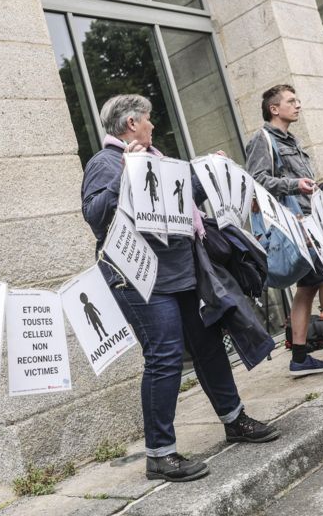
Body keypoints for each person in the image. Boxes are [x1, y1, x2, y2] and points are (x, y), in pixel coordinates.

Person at [81, 94, 279, 483]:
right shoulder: (104, 162)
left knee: (208, 347)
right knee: (165, 356)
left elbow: (188, 193)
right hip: (140, 279)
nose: (154, 125)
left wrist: (213, 169)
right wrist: (126, 169)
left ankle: (234, 419)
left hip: (183, 272)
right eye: (149, 119)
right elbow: (95, 214)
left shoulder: (158, 157)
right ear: (132, 122)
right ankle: (160, 454)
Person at [244, 84, 323, 376]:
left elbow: (308, 189)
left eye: (298, 100)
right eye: (291, 101)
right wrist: (292, 185)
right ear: (274, 109)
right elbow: (257, 181)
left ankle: (300, 357)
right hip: (296, 227)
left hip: (310, 222)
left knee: (308, 287)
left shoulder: (294, 142)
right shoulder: (263, 139)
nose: (298, 105)